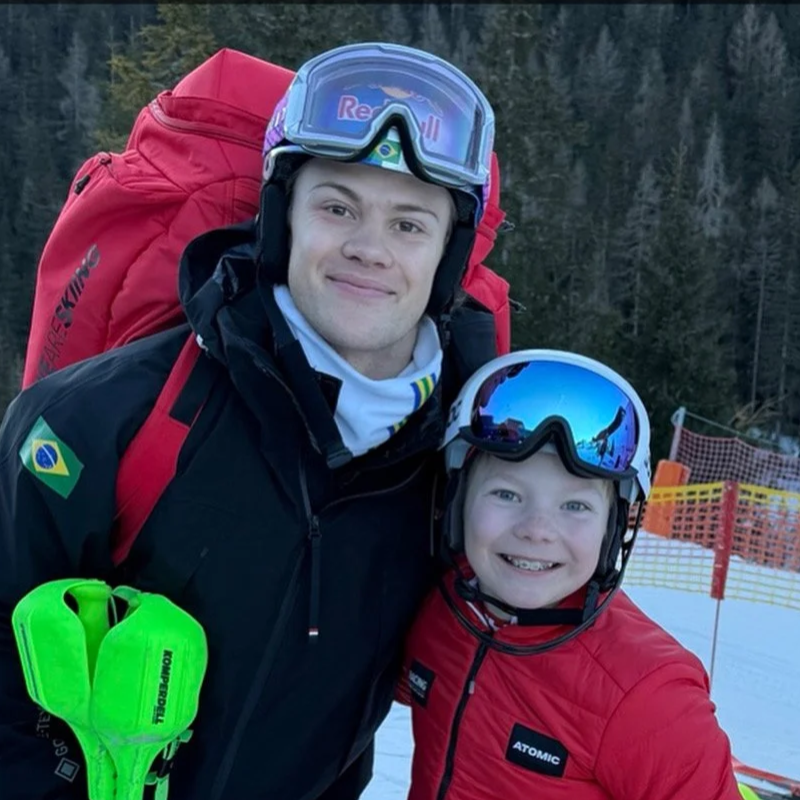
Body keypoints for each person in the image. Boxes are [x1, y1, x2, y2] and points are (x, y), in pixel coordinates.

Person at [0, 42, 502, 800]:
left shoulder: (460, 471)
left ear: (447, 255)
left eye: (409, 225)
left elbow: (557, 658)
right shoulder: (93, 422)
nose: (369, 249)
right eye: (337, 206)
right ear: (281, 218)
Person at [399, 349, 743, 800]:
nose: (537, 531)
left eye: (575, 506)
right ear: (460, 500)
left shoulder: (647, 696)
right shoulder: (439, 609)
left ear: (612, 528)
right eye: (506, 493)